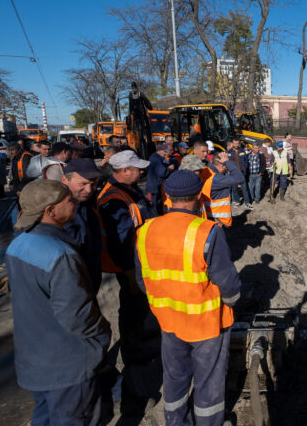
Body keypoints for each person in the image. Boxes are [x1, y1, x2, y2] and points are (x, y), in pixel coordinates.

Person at [135, 171, 240, 426]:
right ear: (198, 196)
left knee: (174, 378)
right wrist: (234, 300)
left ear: (167, 196)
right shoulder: (207, 231)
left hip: (169, 321)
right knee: (208, 383)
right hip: (206, 324)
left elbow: (142, 280)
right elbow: (228, 283)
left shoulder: (146, 230)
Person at [5, 179, 111, 426]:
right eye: (68, 201)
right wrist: (102, 336)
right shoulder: (60, 254)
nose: (75, 202)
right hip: (67, 365)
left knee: (44, 417)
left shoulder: (17, 245)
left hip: (35, 360)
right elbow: (77, 316)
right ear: (50, 211)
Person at [96, 150, 157, 412]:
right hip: (131, 268)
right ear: (122, 171)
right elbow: (121, 241)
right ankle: (136, 388)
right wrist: (131, 272)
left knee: (141, 317)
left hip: (141, 264)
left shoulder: (129, 191)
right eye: (136, 169)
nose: (141, 172)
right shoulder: (114, 200)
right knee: (135, 320)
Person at [62, 159, 104, 294]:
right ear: (64, 180)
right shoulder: (57, 213)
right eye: (83, 184)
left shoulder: (87, 204)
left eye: (93, 184)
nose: (89, 190)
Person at [195, 144, 244, 226]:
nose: (228, 168)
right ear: (222, 165)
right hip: (217, 219)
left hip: (206, 215)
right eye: (227, 166)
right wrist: (227, 162)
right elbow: (240, 179)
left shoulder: (204, 170)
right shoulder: (217, 179)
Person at [147, 143, 175, 212]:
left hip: (156, 185)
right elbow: (162, 173)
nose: (166, 153)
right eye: (165, 151)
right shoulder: (155, 159)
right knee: (155, 206)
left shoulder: (157, 157)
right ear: (159, 150)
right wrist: (169, 169)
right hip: (154, 186)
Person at [226, 138, 251, 207]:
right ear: (232, 143)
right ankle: (237, 201)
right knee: (235, 188)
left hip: (241, 172)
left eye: (237, 143)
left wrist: (245, 169)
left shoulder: (242, 151)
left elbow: (246, 161)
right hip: (233, 173)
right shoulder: (229, 152)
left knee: (244, 188)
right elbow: (227, 162)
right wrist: (228, 170)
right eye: (235, 143)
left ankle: (247, 202)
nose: (236, 145)